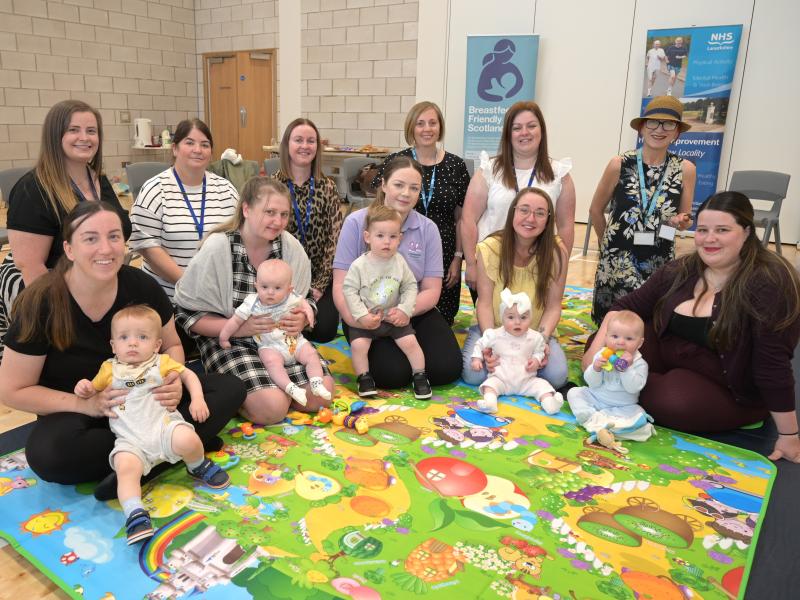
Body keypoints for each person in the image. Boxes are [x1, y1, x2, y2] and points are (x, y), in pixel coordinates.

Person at [0, 202, 245, 502]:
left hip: (149, 405)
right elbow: (12, 390)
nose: (106, 248)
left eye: (114, 236)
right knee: (47, 454)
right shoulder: (41, 303)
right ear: (69, 249)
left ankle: (136, 467)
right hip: (81, 416)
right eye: (91, 238)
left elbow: (172, 345)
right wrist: (85, 404)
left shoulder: (141, 285)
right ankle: (175, 451)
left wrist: (173, 381)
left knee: (230, 387)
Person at [584, 192, 800, 463]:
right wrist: (593, 353)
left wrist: (789, 435)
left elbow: (772, 365)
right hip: (672, 355)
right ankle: (621, 386)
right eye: (703, 230)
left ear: (746, 232)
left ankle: (618, 388)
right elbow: (626, 306)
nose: (709, 239)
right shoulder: (682, 269)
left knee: (673, 401)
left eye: (722, 230)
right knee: (611, 336)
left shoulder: (769, 283)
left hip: (726, 383)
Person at [174, 177, 334, 425]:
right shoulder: (219, 248)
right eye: (269, 212)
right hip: (230, 342)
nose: (278, 221)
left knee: (319, 398)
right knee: (272, 409)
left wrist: (301, 318)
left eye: (283, 214)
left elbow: (306, 298)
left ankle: (277, 389)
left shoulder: (290, 248)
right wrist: (241, 328)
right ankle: (270, 395)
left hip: (283, 342)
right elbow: (186, 314)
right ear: (246, 209)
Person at [74, 305, 230, 544]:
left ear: (156, 345)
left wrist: (197, 398)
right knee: (125, 469)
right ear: (114, 345)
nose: (133, 344)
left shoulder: (160, 362)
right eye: (124, 338)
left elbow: (188, 375)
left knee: (188, 439)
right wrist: (83, 388)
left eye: (142, 337)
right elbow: (91, 391)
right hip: (130, 440)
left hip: (164, 428)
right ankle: (135, 514)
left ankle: (196, 464)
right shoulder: (109, 369)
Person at [0, 99, 132, 358]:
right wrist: (70, 318)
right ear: (54, 135)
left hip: (91, 281)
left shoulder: (98, 180)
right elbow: (31, 268)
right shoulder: (33, 189)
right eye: (74, 130)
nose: (84, 138)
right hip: (47, 291)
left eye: (91, 131)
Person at [333, 156, 462, 390]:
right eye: (399, 185)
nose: (406, 193)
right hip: (366, 313)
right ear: (383, 185)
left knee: (446, 369)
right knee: (392, 375)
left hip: (412, 309)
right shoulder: (356, 223)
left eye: (414, 188)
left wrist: (403, 311)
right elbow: (341, 286)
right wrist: (357, 318)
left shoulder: (427, 229)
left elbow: (432, 289)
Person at [590, 95, 696, 325]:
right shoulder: (619, 164)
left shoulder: (686, 169)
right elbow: (595, 210)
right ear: (641, 128)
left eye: (668, 124)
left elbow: (686, 218)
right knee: (610, 324)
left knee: (649, 327)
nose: (660, 129)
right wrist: (605, 244)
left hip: (659, 261)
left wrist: (681, 221)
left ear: (677, 132)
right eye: (653, 122)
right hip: (617, 260)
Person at [462, 100, 575, 296]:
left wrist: (560, 268)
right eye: (517, 128)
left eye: (531, 126)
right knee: (491, 322)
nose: (525, 132)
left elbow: (565, 226)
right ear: (508, 134)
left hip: (538, 265)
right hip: (492, 264)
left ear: (542, 130)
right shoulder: (489, 170)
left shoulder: (559, 174)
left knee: (528, 325)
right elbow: (468, 219)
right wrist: (471, 263)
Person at [372, 102, 471, 324]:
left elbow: (462, 218)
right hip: (400, 248)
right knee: (393, 307)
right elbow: (379, 208)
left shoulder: (456, 166)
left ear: (440, 127)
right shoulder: (396, 162)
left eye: (432, 123)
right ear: (411, 128)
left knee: (440, 318)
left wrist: (457, 258)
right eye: (420, 123)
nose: (427, 129)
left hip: (443, 252)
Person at [462, 187, 569, 390]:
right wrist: (492, 343)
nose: (531, 218)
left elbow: (554, 306)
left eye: (539, 213)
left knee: (556, 377)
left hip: (534, 332)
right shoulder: (491, 248)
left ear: (548, 219)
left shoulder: (556, 252)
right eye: (524, 210)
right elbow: (484, 304)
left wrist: (541, 342)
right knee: (473, 374)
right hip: (494, 327)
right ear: (513, 212)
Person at [129, 118, 239, 301]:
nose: (198, 150)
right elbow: (147, 246)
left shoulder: (226, 190)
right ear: (175, 148)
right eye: (189, 143)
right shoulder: (155, 190)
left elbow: (239, 237)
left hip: (215, 297)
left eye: (205, 144)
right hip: (166, 299)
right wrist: (189, 285)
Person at [343, 204, 432, 399]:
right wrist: (361, 316)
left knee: (411, 342)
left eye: (393, 237)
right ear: (368, 237)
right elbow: (349, 290)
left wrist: (404, 310)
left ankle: (420, 375)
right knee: (359, 345)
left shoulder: (399, 262)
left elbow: (410, 286)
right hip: (366, 318)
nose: (387, 242)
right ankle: (364, 378)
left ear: (400, 239)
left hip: (393, 318)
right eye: (380, 236)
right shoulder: (359, 266)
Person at [219, 258, 331, 406]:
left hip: (294, 341)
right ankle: (290, 388)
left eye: (277, 288)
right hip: (270, 345)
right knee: (272, 363)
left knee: (311, 355)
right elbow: (235, 321)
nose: (270, 292)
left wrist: (308, 316)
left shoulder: (291, 298)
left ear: (289, 289)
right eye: (264, 287)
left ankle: (316, 382)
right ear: (256, 286)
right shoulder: (251, 303)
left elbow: (304, 303)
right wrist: (224, 337)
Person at [273, 118, 343, 342]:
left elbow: (335, 240)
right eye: (298, 140)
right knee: (281, 324)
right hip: (283, 275)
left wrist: (319, 286)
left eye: (311, 141)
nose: (305, 146)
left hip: (320, 274)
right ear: (287, 145)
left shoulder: (328, 186)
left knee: (324, 331)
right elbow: (268, 240)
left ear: (317, 147)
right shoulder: (274, 187)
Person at [568, 310, 653, 451]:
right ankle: (591, 418)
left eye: (629, 339)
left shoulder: (639, 364)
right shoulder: (601, 355)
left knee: (640, 418)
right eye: (614, 336)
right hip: (596, 399)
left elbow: (634, 388)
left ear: (639, 343)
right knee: (574, 393)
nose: (620, 342)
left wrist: (626, 369)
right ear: (606, 337)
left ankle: (602, 425)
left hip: (623, 407)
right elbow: (591, 383)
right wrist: (595, 368)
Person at [470, 289, 564, 415]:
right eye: (510, 317)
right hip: (501, 379)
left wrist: (536, 359)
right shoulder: (495, 335)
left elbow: (539, 350)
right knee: (489, 386)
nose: (517, 322)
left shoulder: (535, 337)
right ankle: (490, 403)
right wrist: (476, 358)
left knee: (543, 386)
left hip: (527, 380)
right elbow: (480, 344)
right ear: (502, 318)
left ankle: (550, 404)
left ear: (530, 318)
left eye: (523, 317)